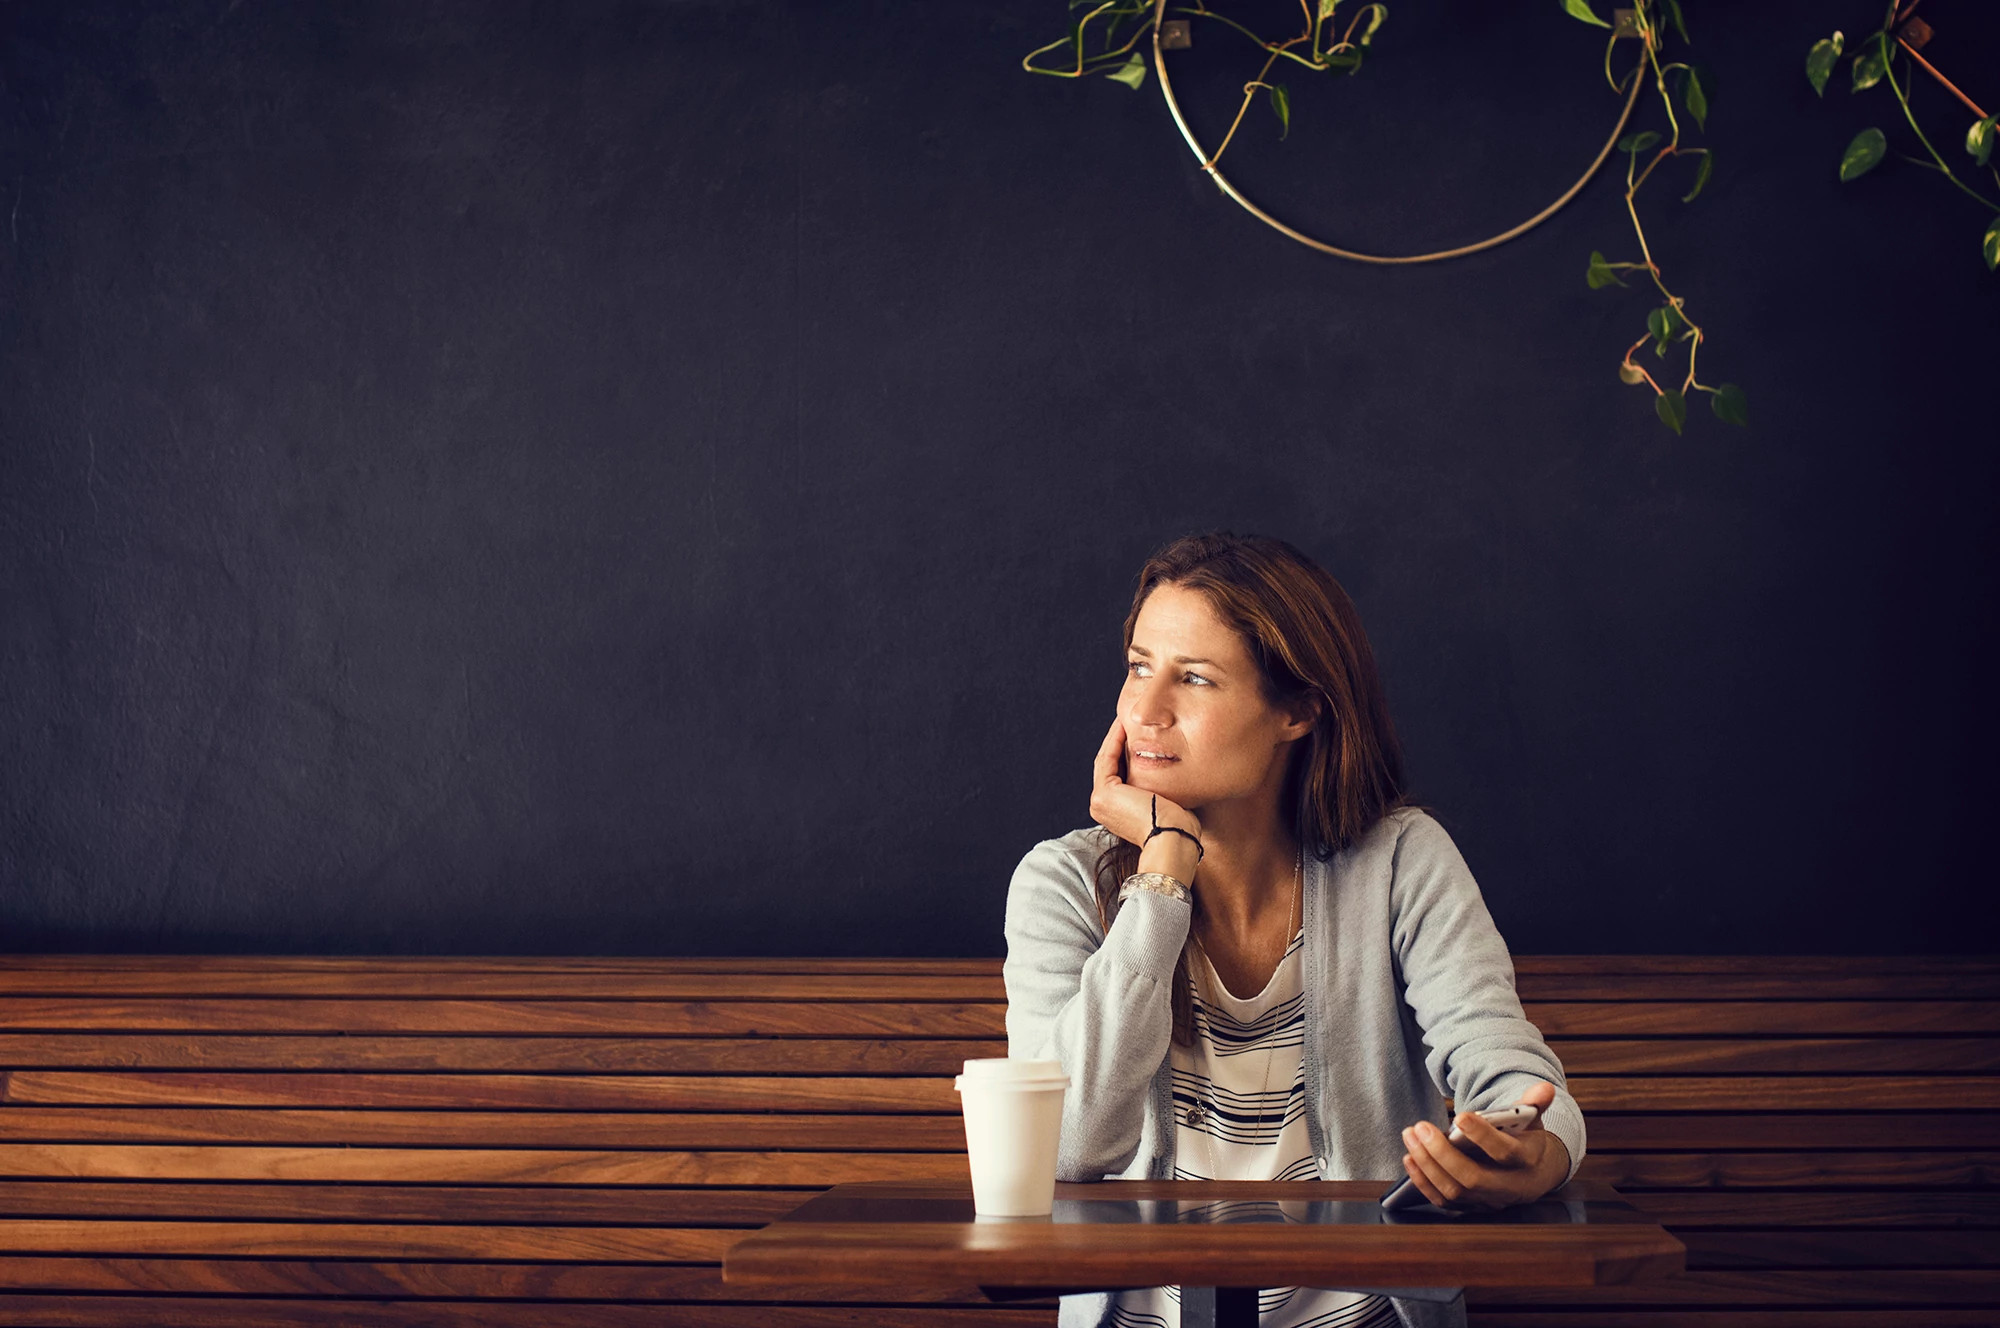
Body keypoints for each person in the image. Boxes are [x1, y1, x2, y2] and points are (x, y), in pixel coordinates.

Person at [1002, 532, 1585, 1328]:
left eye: (1194, 678)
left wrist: (1534, 1155)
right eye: (1139, 666)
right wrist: (1164, 870)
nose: (1143, 710)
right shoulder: (1061, 882)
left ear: (1298, 711)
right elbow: (1068, 1143)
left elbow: (1516, 1076)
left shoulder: (1401, 862)